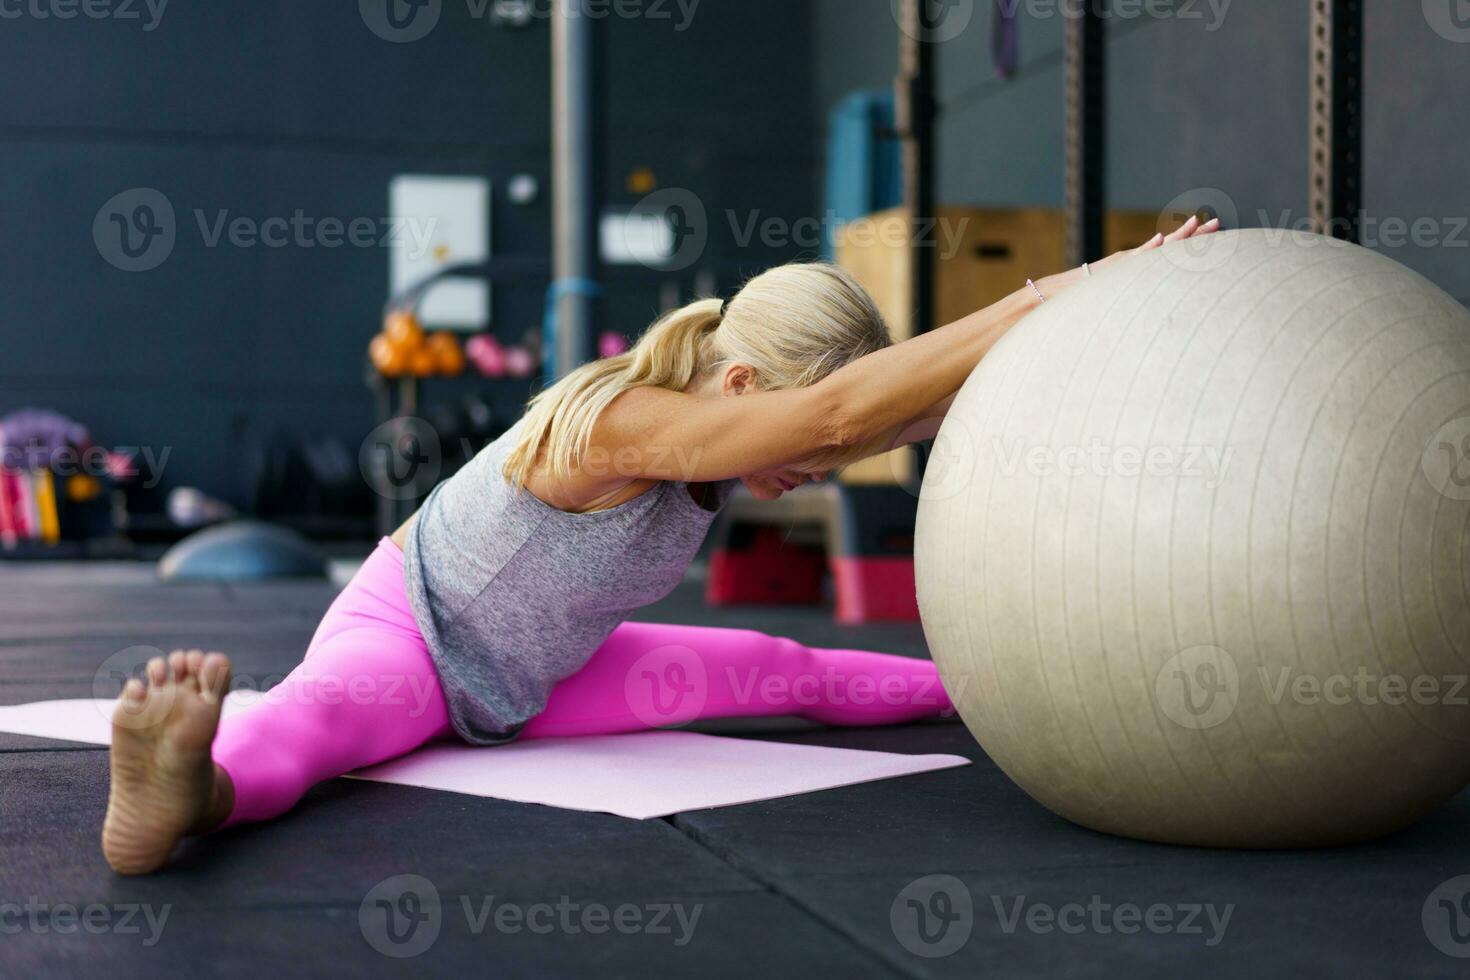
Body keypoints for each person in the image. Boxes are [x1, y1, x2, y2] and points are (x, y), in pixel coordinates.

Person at [101, 217, 1221, 874]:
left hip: (544, 674)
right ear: (739, 388)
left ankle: (991, 691)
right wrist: (1062, 285)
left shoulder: (721, 427)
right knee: (320, 725)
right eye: (795, 444)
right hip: (419, 637)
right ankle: (184, 795)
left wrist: (1091, 320)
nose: (813, 471)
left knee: (786, 669)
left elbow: (879, 414)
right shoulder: (625, 422)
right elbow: (835, 419)